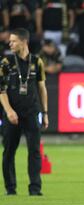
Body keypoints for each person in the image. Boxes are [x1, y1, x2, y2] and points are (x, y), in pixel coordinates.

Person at [0, 28, 48, 196]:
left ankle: (35, 188)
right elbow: (1, 90)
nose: (10, 43)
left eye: (13, 41)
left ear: (24, 41)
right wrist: (9, 111)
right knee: (9, 151)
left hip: (32, 112)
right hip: (12, 114)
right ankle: (10, 188)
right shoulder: (6, 62)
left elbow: (42, 88)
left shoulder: (37, 62)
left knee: (34, 151)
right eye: (10, 41)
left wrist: (45, 112)